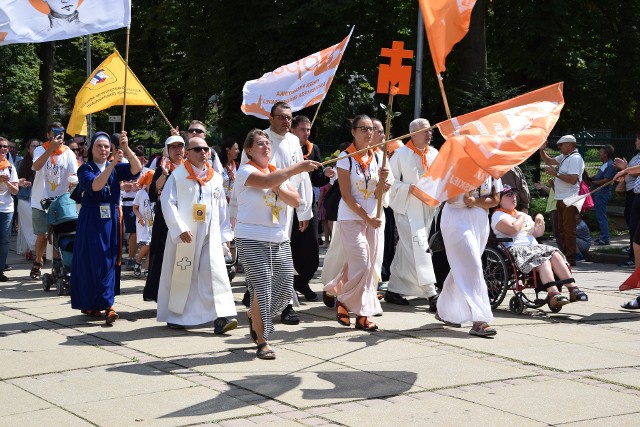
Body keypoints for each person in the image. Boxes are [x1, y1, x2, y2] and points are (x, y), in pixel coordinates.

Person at [236, 129, 320, 359]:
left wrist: (278, 183)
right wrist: (297, 168)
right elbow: (264, 181)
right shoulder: (244, 171)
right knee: (262, 286)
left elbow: (295, 199)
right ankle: (262, 340)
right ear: (249, 150)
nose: (265, 147)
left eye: (268, 144)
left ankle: (255, 316)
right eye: (260, 144)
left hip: (278, 238)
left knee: (283, 287)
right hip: (251, 236)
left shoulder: (277, 173)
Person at [234, 101, 315, 325]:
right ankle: (257, 300)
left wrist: (304, 210)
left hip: (285, 208)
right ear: (270, 119)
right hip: (260, 209)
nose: (285, 121)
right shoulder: (260, 141)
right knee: (261, 262)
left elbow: (301, 179)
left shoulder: (293, 141)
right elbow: (246, 175)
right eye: (280, 117)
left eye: (289, 117)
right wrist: (235, 211)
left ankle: (286, 305)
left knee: (283, 264)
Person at [156, 136, 237, 333]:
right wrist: (179, 228)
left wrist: (225, 237)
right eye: (197, 149)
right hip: (186, 235)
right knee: (183, 277)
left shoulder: (216, 178)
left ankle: (222, 317)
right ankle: (177, 316)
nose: (202, 153)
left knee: (215, 274)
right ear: (188, 153)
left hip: (210, 235)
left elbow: (221, 208)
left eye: (205, 149)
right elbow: (167, 203)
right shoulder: (177, 176)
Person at [323, 114, 391, 332]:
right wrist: (367, 217)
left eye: (371, 129)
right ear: (353, 132)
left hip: (373, 217)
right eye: (363, 129)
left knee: (368, 266)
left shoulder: (379, 156)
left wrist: (383, 183)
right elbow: (347, 196)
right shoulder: (345, 157)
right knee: (361, 263)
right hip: (352, 217)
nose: (368, 133)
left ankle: (362, 314)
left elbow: (379, 192)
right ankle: (343, 299)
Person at [70, 131, 141, 323]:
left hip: (111, 217)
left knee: (110, 259)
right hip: (92, 218)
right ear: (91, 149)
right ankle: (98, 303)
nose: (103, 149)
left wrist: (126, 148)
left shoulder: (117, 167)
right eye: (99, 146)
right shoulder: (85, 168)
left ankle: (106, 303)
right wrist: (112, 164)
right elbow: (95, 185)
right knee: (94, 260)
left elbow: (137, 167)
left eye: (106, 146)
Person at [491, 185, 588, 309]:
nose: (514, 197)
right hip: (516, 249)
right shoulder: (498, 215)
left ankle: (573, 289)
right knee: (543, 262)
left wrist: (539, 219)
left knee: (555, 254)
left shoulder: (520, 214)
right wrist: (521, 217)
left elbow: (538, 233)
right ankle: (554, 293)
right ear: (499, 199)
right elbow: (513, 229)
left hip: (533, 247)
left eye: (514, 194)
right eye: (509, 195)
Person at [436, 176, 501, 337]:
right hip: (456, 220)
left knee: (463, 267)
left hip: (479, 222)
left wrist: (476, 201)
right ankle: (479, 320)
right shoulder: (456, 167)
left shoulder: (492, 170)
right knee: (473, 267)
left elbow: (495, 200)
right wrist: (466, 182)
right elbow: (450, 200)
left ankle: (444, 309)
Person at [386, 118, 439, 310]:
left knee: (406, 248)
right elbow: (389, 183)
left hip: (428, 208)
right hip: (408, 207)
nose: (429, 134)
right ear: (413, 134)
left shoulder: (434, 153)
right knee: (419, 247)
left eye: (430, 130)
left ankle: (393, 289)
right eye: (425, 131)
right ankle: (431, 293)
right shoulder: (400, 154)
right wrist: (409, 188)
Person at [289, 115, 334, 301]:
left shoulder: (312, 148)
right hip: (289, 204)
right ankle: (290, 285)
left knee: (311, 250)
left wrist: (326, 175)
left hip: (308, 203)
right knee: (290, 247)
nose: (306, 132)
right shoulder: (286, 147)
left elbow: (316, 178)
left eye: (308, 129)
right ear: (292, 130)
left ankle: (302, 281)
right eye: (302, 129)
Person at [30, 122, 78, 280]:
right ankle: (38, 261)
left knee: (60, 233)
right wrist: (50, 149)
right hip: (40, 200)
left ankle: (58, 263)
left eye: (62, 132)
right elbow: (36, 166)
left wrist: (74, 180)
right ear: (48, 135)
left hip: (60, 201)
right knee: (42, 235)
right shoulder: (40, 149)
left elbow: (74, 174)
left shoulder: (68, 152)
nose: (60, 135)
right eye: (56, 132)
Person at [143, 135, 185, 302]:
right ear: (167, 150)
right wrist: (164, 174)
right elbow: (153, 192)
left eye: (179, 146)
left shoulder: (190, 167)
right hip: (165, 218)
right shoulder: (162, 168)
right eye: (173, 147)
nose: (177, 150)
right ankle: (159, 294)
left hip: (185, 216)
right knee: (161, 255)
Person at [539, 135, 584, 266]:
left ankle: (570, 258)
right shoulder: (565, 157)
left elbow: (573, 179)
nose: (559, 147)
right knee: (561, 229)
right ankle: (565, 255)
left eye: (561, 145)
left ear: (570, 145)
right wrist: (541, 150)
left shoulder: (575, 159)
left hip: (569, 199)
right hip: (561, 198)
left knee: (568, 230)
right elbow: (549, 161)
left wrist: (556, 174)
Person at [16, 138, 39, 261]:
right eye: (33, 146)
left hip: (39, 197)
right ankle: (29, 249)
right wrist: (21, 182)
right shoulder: (21, 163)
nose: (35, 148)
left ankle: (38, 250)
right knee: (27, 224)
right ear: (28, 148)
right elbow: (14, 180)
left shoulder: (43, 160)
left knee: (37, 224)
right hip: (25, 197)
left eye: (38, 146)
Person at [0, 138, 19, 281]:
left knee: (5, 241)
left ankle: (0, 270)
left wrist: (6, 181)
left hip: (6, 208)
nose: (3, 149)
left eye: (6, 147)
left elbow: (15, 191)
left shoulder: (10, 167)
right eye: (0, 146)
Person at [590, 144, 616, 245]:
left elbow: (606, 180)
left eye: (600, 152)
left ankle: (605, 238)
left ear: (606, 154)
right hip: (599, 194)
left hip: (602, 194)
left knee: (601, 216)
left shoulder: (610, 165)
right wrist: (592, 178)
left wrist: (593, 182)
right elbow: (599, 176)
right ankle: (603, 236)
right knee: (600, 215)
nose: (599, 154)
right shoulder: (605, 164)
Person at [132, 170, 154, 276]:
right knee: (147, 244)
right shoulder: (141, 193)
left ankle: (147, 270)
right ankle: (138, 261)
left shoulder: (157, 193)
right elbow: (135, 208)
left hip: (153, 223)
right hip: (143, 223)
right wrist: (140, 217)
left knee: (150, 248)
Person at [220, 137, 239, 202]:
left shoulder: (236, 165)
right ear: (228, 150)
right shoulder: (219, 166)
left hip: (233, 200)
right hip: (221, 200)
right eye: (236, 149)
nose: (238, 151)